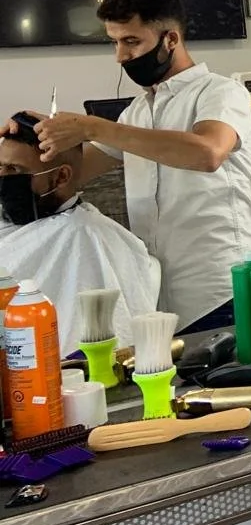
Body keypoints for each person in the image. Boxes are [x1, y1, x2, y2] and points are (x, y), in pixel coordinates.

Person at [22, 0, 251, 332]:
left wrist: (92, 127)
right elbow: (73, 173)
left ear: (171, 39)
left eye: (132, 41)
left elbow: (208, 152)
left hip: (222, 291)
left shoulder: (222, 93)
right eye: (115, 43)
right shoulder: (136, 112)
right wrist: (29, 140)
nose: (121, 56)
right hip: (156, 294)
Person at [0, 112, 159, 349]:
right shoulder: (9, 220)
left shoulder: (86, 237)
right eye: (0, 167)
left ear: (61, 176)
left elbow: (111, 341)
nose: (3, 177)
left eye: (14, 169)